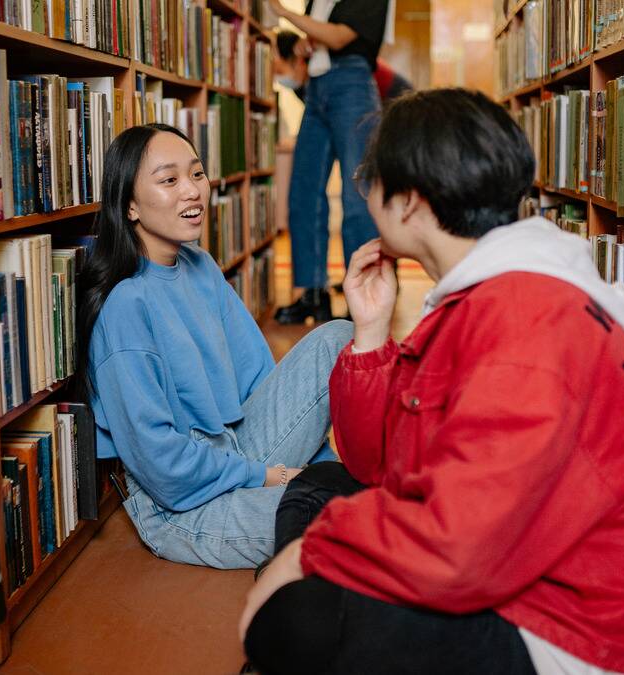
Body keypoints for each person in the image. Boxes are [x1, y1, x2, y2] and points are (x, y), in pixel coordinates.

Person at [238, 89, 624, 674]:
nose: (364, 196)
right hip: (520, 569)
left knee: (295, 620)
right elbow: (379, 463)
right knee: (322, 485)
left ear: (410, 202)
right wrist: (371, 333)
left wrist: (311, 553)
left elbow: (460, 551)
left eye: (369, 181)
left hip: (566, 634)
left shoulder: (524, 322)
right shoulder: (489, 292)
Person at [77, 123, 353, 570]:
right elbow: (163, 467)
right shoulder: (125, 306)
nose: (192, 191)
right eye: (169, 180)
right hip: (184, 507)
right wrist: (273, 478)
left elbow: (260, 381)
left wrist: (322, 471)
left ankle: (329, 490)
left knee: (337, 335)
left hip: (240, 449)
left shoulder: (199, 264)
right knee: (349, 517)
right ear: (129, 206)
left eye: (197, 174)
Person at [268, 0, 390, 325]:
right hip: (317, 85)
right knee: (303, 191)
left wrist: (284, 13)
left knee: (357, 193)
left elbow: (338, 38)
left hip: (352, 85)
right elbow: (322, 39)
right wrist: (308, 41)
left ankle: (362, 297)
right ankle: (311, 294)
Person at [274, 30, 413, 104]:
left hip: (393, 90)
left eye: (278, 71)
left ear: (298, 59)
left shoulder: (324, 63)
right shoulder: (303, 89)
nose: (278, 78)